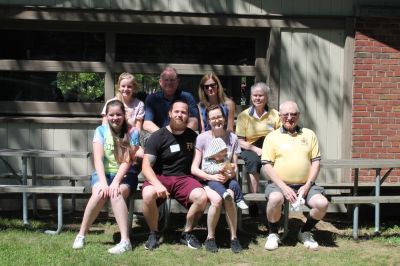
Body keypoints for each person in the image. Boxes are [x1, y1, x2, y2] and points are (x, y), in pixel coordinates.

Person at [73, 99, 140, 254]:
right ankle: (81, 235)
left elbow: (127, 160)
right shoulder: (100, 131)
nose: (115, 118)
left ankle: (125, 241)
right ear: (107, 116)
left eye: (118, 114)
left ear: (124, 115)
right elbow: (97, 159)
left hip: (125, 174)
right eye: (111, 115)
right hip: (103, 173)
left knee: (116, 194)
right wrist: (103, 183)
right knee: (99, 194)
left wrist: (116, 182)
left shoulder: (133, 132)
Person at [261, 101, 329, 251]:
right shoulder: (272, 137)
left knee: (322, 204)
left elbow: (316, 163)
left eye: (293, 114)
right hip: (278, 185)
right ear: (280, 116)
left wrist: (307, 186)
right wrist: (283, 187)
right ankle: (273, 234)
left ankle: (304, 232)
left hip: (305, 184)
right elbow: (267, 165)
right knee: (275, 199)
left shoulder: (309, 134)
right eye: (286, 114)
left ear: (299, 116)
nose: (290, 117)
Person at [141, 99, 208, 250]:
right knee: (147, 195)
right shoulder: (157, 136)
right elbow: (146, 167)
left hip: (184, 179)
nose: (179, 115)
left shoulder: (193, 137)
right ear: (170, 113)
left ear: (188, 116)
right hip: (160, 177)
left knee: (202, 197)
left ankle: (187, 232)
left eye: (183, 112)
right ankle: (153, 233)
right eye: (176, 111)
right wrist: (157, 185)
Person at [191, 104, 243, 253]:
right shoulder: (202, 138)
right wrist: (212, 176)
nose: (216, 120)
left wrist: (231, 173)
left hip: (226, 181)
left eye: (219, 116)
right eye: (212, 118)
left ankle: (233, 237)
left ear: (225, 118)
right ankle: (210, 237)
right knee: (217, 199)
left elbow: (234, 165)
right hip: (208, 181)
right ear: (208, 120)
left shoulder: (232, 138)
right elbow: (194, 168)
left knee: (230, 197)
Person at [235, 82, 281, 216]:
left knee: (279, 162)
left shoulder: (275, 114)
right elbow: (240, 140)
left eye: (261, 95)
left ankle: (277, 197)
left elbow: (281, 135)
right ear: (251, 97)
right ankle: (254, 201)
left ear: (266, 97)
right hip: (249, 147)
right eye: (255, 95)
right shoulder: (244, 116)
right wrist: (255, 149)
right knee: (253, 161)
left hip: (270, 146)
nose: (257, 98)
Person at [143, 66, 199, 133]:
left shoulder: (187, 97)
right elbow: (147, 123)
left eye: (172, 80)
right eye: (166, 80)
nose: (169, 83)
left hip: (183, 136)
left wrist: (181, 134)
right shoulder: (152, 98)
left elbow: (194, 122)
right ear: (160, 82)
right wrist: (164, 135)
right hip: (160, 137)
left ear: (178, 82)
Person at [202, 137, 248, 210]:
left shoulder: (225, 159)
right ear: (213, 153)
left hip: (226, 179)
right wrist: (218, 168)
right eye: (219, 155)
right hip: (215, 180)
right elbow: (207, 169)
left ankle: (239, 200)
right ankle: (224, 194)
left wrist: (230, 167)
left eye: (223, 154)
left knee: (234, 183)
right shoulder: (208, 161)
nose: (221, 157)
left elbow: (229, 169)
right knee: (215, 185)